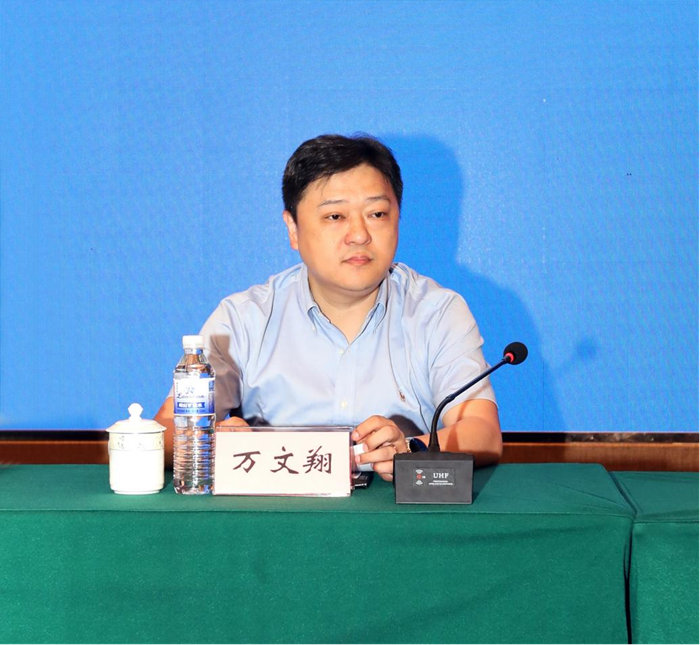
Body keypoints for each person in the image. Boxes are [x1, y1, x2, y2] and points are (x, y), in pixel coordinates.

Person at [155, 134, 502, 480]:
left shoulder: (437, 312)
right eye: (335, 216)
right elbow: (167, 429)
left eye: (377, 213)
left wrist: (411, 450)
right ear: (293, 228)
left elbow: (483, 431)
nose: (359, 235)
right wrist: (208, 443)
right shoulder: (243, 319)